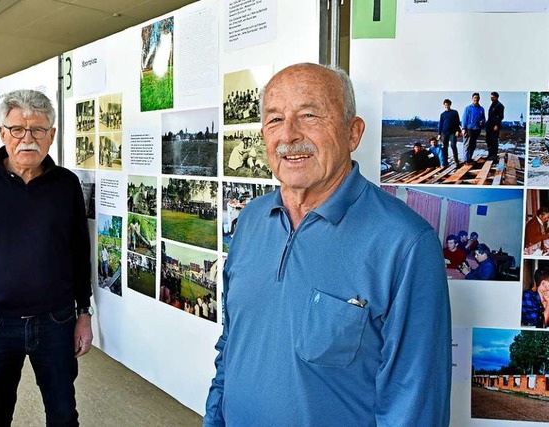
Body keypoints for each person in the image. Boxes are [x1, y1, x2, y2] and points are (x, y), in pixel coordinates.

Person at [203, 63, 451, 426]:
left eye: (309, 115)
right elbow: (231, 346)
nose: (288, 135)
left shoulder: (405, 243)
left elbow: (413, 403)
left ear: (353, 133)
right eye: (274, 120)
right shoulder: (251, 220)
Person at [0, 89, 93, 426]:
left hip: (56, 322)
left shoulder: (66, 184)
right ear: (2, 133)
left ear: (51, 135)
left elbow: (80, 253)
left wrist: (84, 313)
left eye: (38, 130)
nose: (28, 139)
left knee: (64, 415)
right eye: (17, 130)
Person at [461, 92, 486, 164]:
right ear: (472, 99)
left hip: (477, 129)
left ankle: (469, 158)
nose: (476, 99)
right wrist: (463, 128)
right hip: (469, 129)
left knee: (473, 145)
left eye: (477, 98)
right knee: (467, 145)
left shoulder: (481, 109)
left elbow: (484, 119)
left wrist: (482, 122)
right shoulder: (468, 108)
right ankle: (466, 160)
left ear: (479, 99)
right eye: (475, 98)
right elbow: (464, 119)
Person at [437, 98, 462, 166]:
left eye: (447, 105)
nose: (446, 106)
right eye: (445, 105)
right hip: (445, 133)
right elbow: (441, 124)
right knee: (445, 147)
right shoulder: (442, 114)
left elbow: (458, 122)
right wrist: (439, 134)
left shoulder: (454, 112)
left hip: (453, 133)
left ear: (450, 105)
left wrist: (458, 131)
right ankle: (445, 161)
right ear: (444, 105)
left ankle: (456, 161)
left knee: (453, 145)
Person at [485, 91, 505, 160]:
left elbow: (501, 117)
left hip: (495, 126)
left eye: (493, 97)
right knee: (488, 140)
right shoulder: (492, 105)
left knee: (494, 140)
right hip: (489, 125)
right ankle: (490, 154)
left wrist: (497, 125)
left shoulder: (500, 106)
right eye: (491, 97)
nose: (491, 98)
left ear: (496, 97)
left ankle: (494, 155)